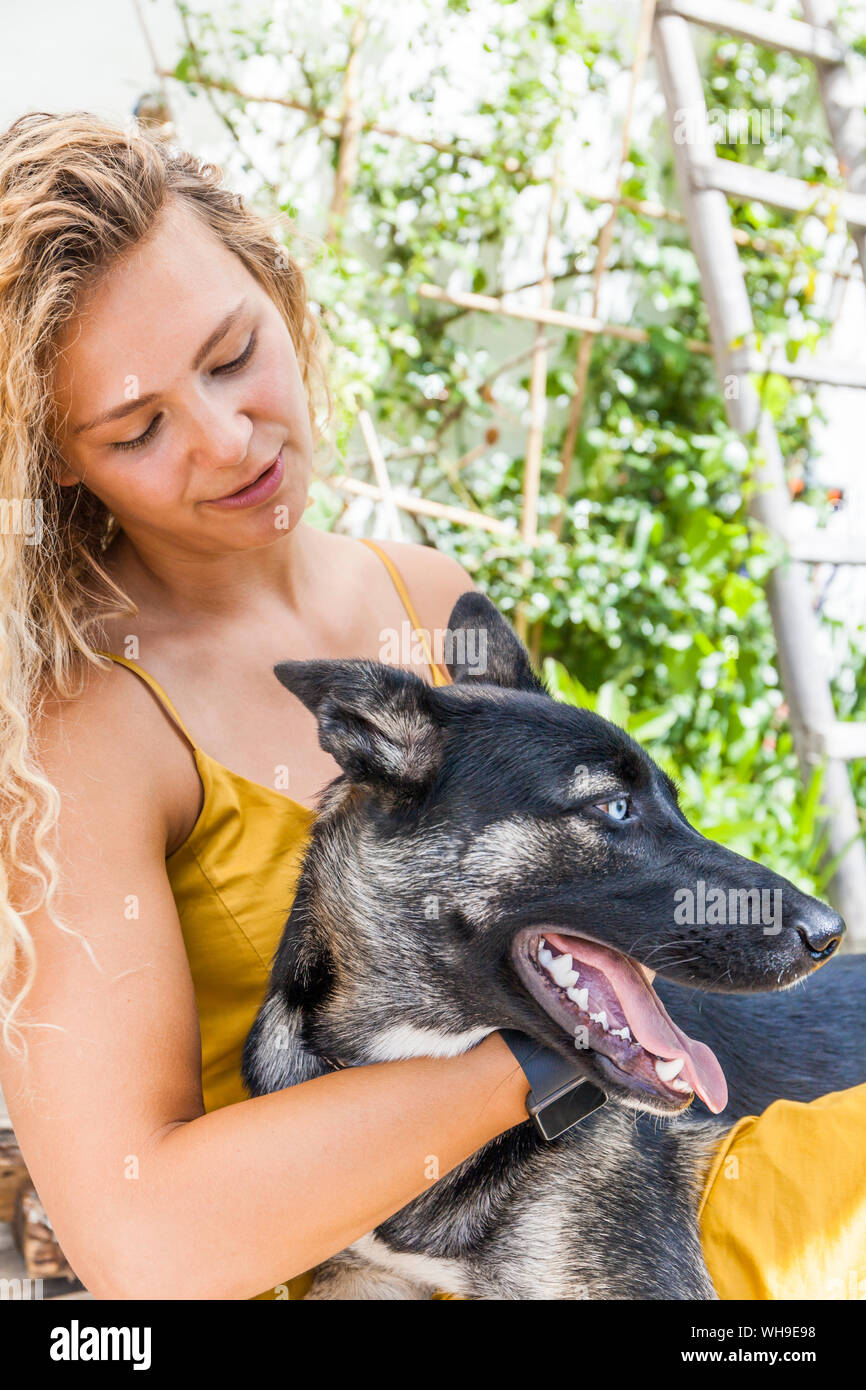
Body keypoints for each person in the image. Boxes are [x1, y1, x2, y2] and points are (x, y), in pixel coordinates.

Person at [0, 110, 532, 1300]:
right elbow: (147, 1240)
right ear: (60, 463)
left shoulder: (433, 598)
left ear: (278, 292)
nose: (229, 440)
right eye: (138, 428)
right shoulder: (88, 724)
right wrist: (535, 1062)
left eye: (233, 353)